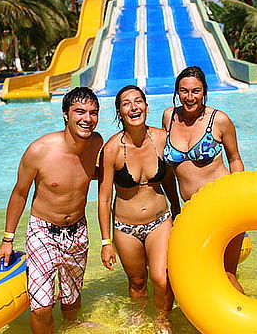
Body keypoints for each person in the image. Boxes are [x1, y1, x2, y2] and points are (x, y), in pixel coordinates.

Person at [0, 87, 103, 334]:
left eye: (93, 112)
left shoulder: (95, 142)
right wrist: (7, 239)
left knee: (71, 299)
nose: (87, 118)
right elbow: (20, 193)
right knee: (41, 306)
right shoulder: (39, 151)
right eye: (80, 112)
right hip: (43, 231)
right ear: (66, 114)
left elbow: (87, 173)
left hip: (78, 230)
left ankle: (72, 327)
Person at [98, 85, 180, 334]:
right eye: (126, 103)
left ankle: (162, 318)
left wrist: (178, 213)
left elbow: (170, 180)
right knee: (136, 281)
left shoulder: (161, 139)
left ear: (146, 106)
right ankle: (140, 314)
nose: (133, 107)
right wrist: (106, 241)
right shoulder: (112, 149)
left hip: (159, 220)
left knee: (161, 277)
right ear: (119, 112)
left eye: (138, 102)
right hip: (125, 228)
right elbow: (104, 198)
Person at [162, 66, 245, 293]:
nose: (190, 97)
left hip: (223, 208)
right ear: (177, 92)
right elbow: (168, 170)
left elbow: (235, 160)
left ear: (204, 91)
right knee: (196, 276)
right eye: (184, 91)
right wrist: (174, 205)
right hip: (192, 213)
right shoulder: (169, 117)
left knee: (226, 276)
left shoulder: (219, 120)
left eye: (196, 91)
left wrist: (240, 198)